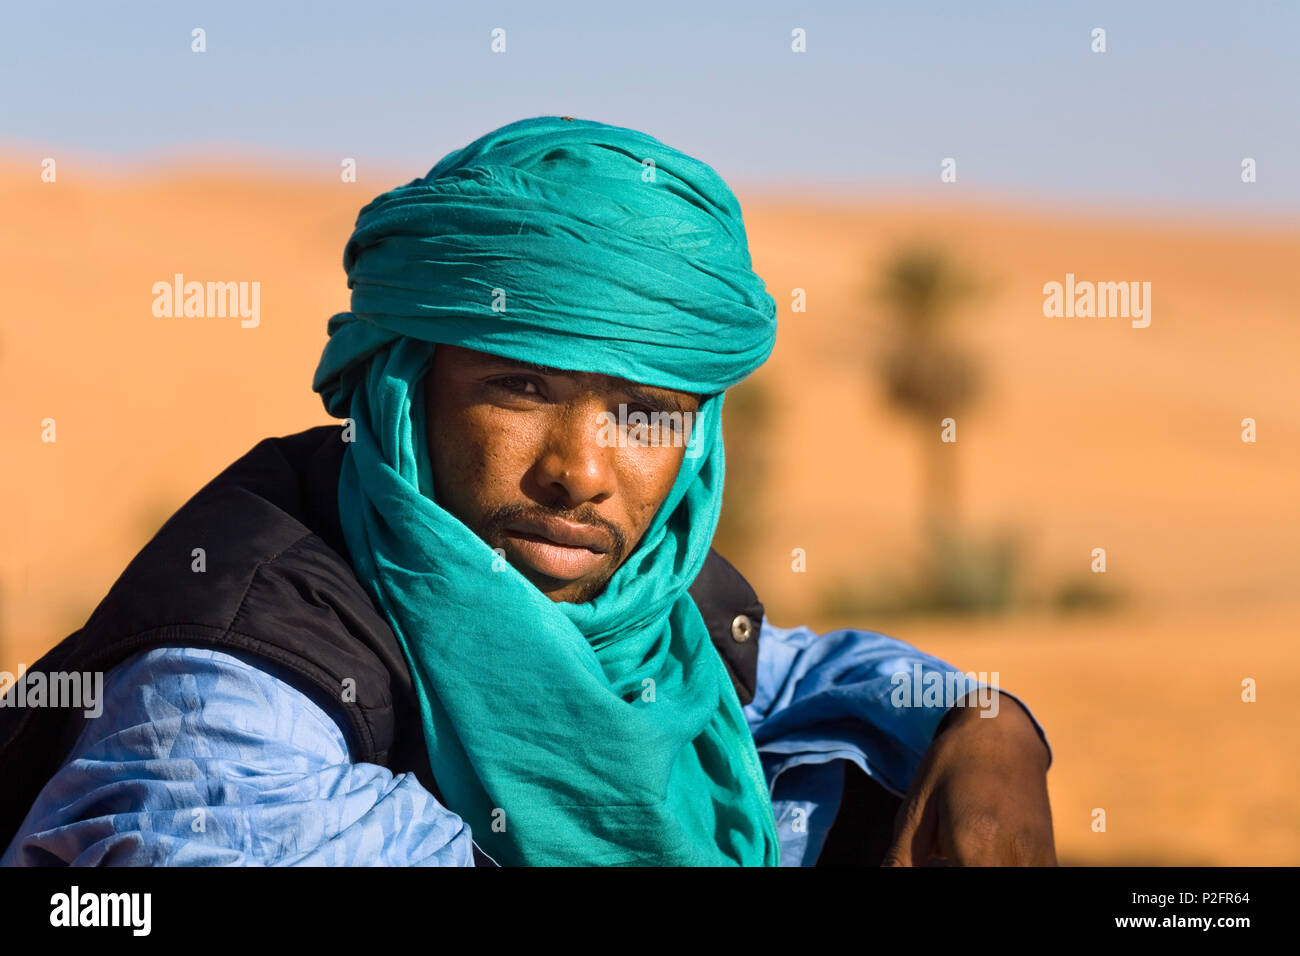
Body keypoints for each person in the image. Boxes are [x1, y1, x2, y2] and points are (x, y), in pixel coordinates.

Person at [0, 116, 1054, 866]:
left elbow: (792, 673)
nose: (581, 473)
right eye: (522, 386)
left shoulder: (647, 620)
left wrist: (987, 723)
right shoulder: (232, 700)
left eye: (646, 411)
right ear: (408, 383)